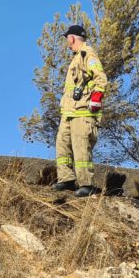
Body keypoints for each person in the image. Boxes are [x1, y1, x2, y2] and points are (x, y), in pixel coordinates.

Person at [52, 24, 108, 197]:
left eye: (67, 38)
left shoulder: (87, 54)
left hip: (83, 112)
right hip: (69, 113)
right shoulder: (76, 58)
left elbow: (101, 78)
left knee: (81, 147)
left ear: (72, 38)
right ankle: (66, 179)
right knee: (63, 145)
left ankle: (87, 185)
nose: (67, 42)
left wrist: (96, 99)